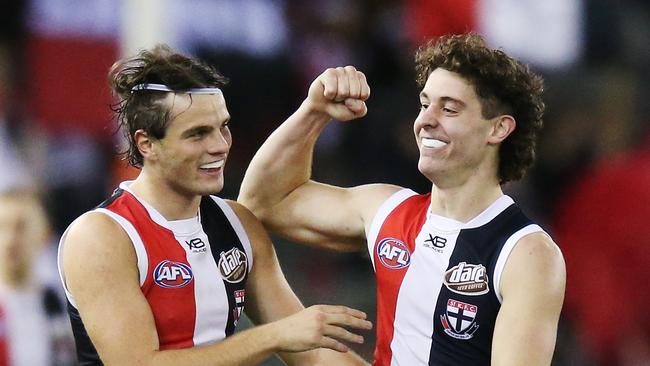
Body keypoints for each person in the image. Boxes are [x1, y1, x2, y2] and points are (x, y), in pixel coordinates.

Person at [239, 33, 566, 365]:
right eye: (425, 104)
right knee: (249, 251)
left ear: (498, 129)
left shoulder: (526, 253)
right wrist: (313, 112)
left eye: (449, 108)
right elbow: (262, 202)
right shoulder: (388, 209)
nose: (425, 120)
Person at [57, 45, 372, 366]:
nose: (220, 146)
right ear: (146, 144)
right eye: (198, 134)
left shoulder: (238, 224)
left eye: (223, 126)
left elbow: (312, 353)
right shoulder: (102, 235)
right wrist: (275, 335)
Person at [0, 188, 75, 365]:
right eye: (2, 226)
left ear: (44, 234)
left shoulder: (61, 304)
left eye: (21, 227)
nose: (10, 239)